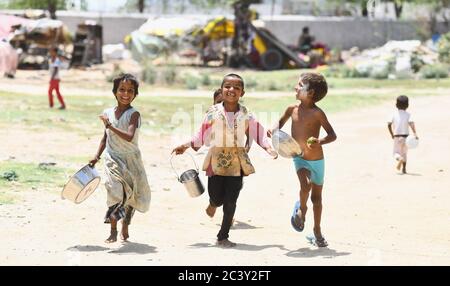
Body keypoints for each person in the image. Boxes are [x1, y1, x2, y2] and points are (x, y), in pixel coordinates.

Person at [172, 73, 278, 248]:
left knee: (231, 201)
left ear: (242, 93)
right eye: (228, 86)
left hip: (237, 162)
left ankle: (223, 236)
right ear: (221, 90)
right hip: (216, 162)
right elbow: (201, 134)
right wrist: (185, 145)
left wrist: (268, 148)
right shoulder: (212, 113)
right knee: (216, 196)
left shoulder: (247, 114)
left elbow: (258, 133)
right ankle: (213, 204)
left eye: (237, 88)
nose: (232, 90)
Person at [269, 72, 336, 247]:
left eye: (299, 85)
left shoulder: (317, 113)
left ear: (311, 92)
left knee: (317, 199)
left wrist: (320, 141)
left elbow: (332, 135)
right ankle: (302, 210)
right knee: (304, 185)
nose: (295, 87)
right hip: (299, 157)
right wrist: (273, 129)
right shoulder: (292, 109)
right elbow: (279, 122)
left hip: (317, 160)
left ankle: (317, 230)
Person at [89, 73, 151, 243]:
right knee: (115, 192)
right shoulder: (107, 113)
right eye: (121, 90)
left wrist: (110, 125)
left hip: (131, 160)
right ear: (115, 92)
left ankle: (126, 224)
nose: (125, 94)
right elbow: (105, 137)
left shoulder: (134, 114)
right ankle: (113, 230)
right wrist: (96, 156)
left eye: (130, 91)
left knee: (130, 197)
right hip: (112, 158)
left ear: (135, 94)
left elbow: (130, 136)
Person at [387, 95, 418, 174]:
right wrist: (415, 133)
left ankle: (399, 159)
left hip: (397, 137)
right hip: (406, 138)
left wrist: (392, 134)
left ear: (396, 105)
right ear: (407, 105)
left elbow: (389, 124)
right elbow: (411, 124)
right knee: (404, 153)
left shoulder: (394, 114)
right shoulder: (408, 115)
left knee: (396, 153)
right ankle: (404, 169)